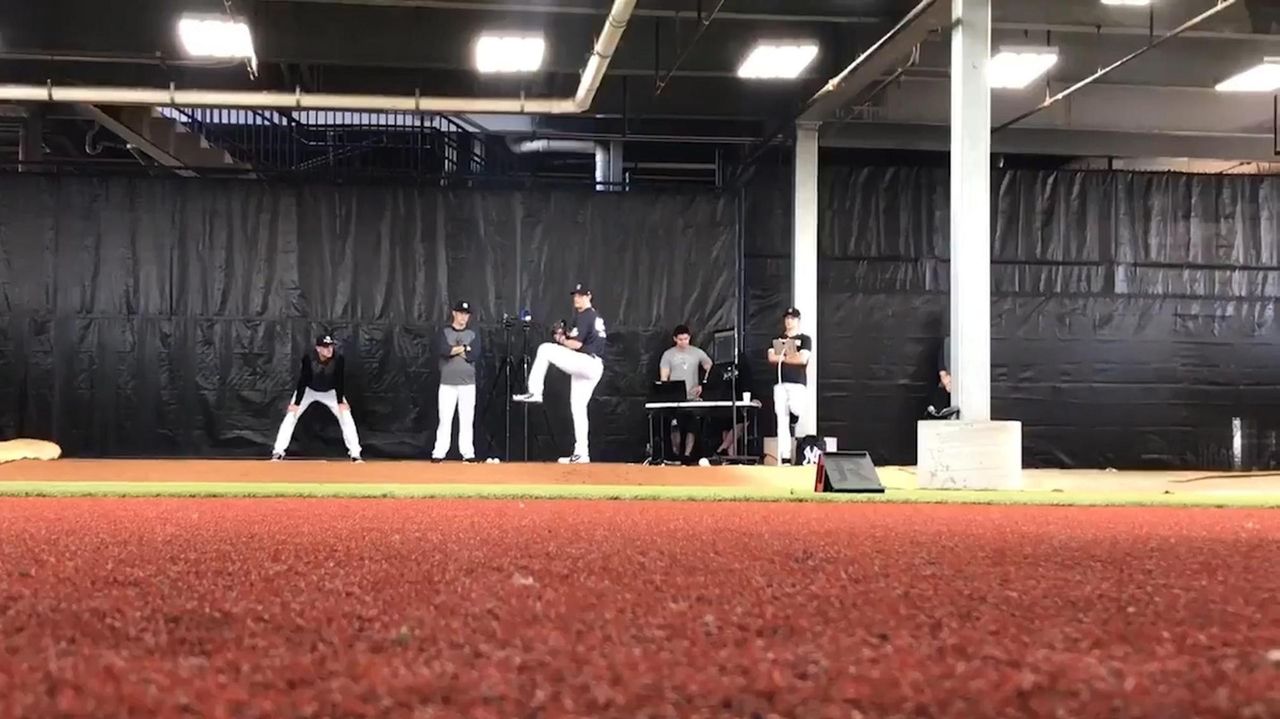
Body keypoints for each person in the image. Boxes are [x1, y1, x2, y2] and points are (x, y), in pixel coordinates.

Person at [512, 283, 606, 464]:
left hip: (587, 361)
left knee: (545, 349)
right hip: (592, 365)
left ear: (589, 296)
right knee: (578, 409)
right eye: (575, 295)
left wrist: (560, 338)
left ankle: (535, 392)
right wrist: (564, 335)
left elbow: (576, 345)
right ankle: (582, 453)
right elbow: (577, 340)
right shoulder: (591, 316)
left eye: (580, 295)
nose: (576, 298)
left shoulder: (586, 315)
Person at [272, 333, 363, 462]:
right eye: (325, 347)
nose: (329, 350)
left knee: (346, 415)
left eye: (331, 346)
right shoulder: (309, 358)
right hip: (309, 390)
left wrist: (340, 401)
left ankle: (355, 454)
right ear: (318, 349)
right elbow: (303, 380)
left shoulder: (338, 358)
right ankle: (278, 452)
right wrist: (297, 403)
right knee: (291, 415)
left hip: (330, 391)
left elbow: (339, 380)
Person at [432, 300, 480, 462]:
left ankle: (468, 453)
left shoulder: (473, 333)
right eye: (460, 313)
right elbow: (444, 351)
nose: (463, 317)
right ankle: (439, 452)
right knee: (445, 419)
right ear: (454, 313)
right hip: (447, 382)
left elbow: (474, 355)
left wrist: (455, 350)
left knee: (467, 420)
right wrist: (465, 348)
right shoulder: (444, 331)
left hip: (468, 383)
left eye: (466, 314)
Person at [658, 325, 713, 464]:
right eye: (680, 339)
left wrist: (703, 384)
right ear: (675, 339)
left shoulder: (697, 353)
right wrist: (666, 390)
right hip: (674, 397)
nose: (683, 342)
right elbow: (664, 376)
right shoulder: (668, 355)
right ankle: (676, 454)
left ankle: (687, 455)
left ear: (690, 338)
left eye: (686, 339)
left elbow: (710, 366)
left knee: (692, 427)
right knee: (674, 426)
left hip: (692, 398)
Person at [766, 307, 814, 464]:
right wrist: (789, 355)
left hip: (797, 382)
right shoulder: (778, 338)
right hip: (780, 382)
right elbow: (772, 358)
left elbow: (802, 359)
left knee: (796, 408)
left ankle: (795, 417)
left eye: (792, 318)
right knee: (781, 419)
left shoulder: (804, 339)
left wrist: (784, 357)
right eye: (787, 318)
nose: (789, 321)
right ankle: (785, 456)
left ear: (798, 320)